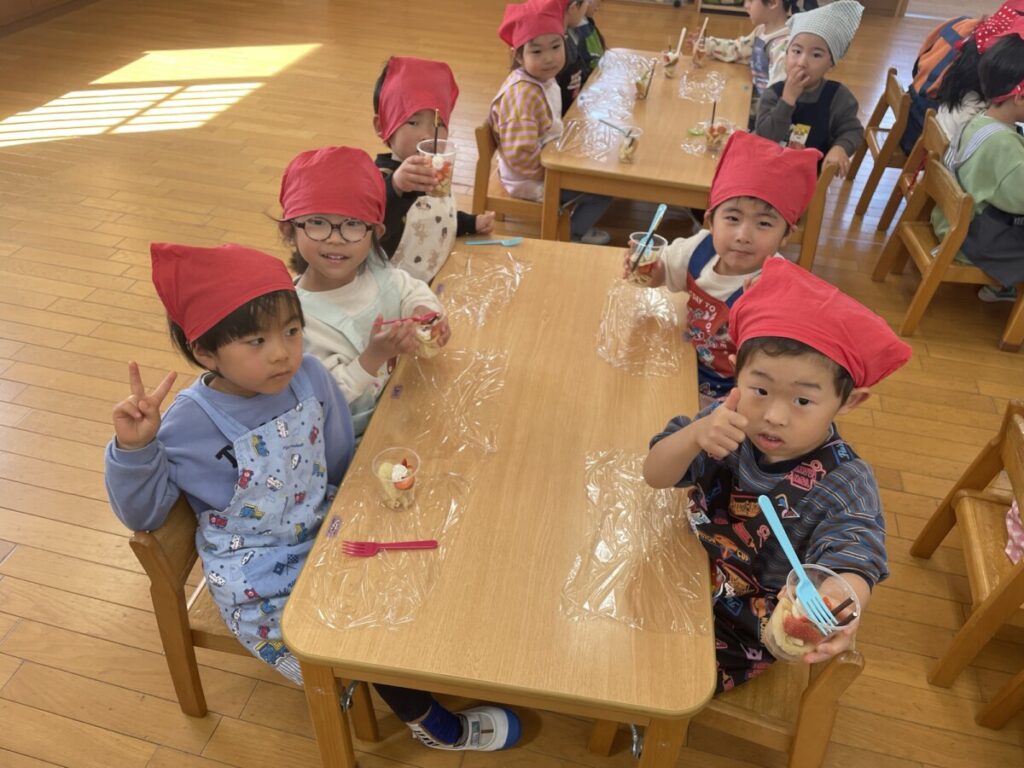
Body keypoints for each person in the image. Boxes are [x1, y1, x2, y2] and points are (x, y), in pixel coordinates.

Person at [104, 243, 520, 751]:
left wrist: (361, 509)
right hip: (257, 572)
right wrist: (135, 449)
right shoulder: (187, 424)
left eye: (292, 331)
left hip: (324, 522)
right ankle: (428, 719)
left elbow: (336, 452)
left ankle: (436, 658)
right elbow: (143, 514)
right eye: (256, 341)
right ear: (206, 353)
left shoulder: (309, 375)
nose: (282, 352)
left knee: (415, 565)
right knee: (352, 632)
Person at [643, 257, 912, 692]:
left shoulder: (846, 483)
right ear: (737, 370)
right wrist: (694, 436)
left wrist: (836, 600)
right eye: (761, 389)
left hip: (742, 623)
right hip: (681, 557)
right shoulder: (725, 420)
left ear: (849, 402)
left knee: (661, 681)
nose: (773, 416)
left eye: (802, 401)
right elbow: (655, 474)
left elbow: (856, 555)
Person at [630, 131, 819, 405]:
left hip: (733, 394)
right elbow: (665, 271)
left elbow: (783, 367)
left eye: (764, 224)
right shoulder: (698, 249)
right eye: (732, 218)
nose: (743, 235)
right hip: (683, 361)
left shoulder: (778, 288)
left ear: (786, 235)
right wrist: (648, 270)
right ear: (710, 221)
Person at [278, 146, 449, 438]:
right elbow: (322, 400)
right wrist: (373, 356)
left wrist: (425, 312)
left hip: (401, 405)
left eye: (353, 224)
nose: (335, 239)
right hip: (353, 442)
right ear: (289, 230)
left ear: (375, 234)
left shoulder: (375, 269)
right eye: (317, 222)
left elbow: (410, 289)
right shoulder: (294, 320)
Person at [490, 0, 613, 244]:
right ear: (518, 55)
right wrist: (559, 172)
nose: (549, 58)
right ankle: (571, 235)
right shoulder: (523, 97)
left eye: (556, 47)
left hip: (546, 158)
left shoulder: (542, 78)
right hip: (528, 178)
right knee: (605, 188)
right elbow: (520, 155)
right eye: (536, 51)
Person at [371, 56, 494, 283]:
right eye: (413, 122)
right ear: (382, 126)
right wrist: (396, 187)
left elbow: (435, 218)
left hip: (437, 277)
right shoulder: (377, 179)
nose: (427, 135)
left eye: (438, 124)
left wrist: (470, 223)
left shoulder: (436, 170)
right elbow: (373, 231)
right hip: (395, 290)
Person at [933, 27, 1024, 303]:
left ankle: (1001, 285)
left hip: (951, 221)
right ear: (1019, 96)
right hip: (974, 239)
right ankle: (1000, 286)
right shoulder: (1005, 146)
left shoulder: (980, 118)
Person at [755, 0, 865, 177]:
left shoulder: (838, 97)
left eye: (816, 55)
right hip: (768, 176)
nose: (802, 62)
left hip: (810, 180)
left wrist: (840, 147)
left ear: (831, 63)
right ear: (786, 54)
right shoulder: (773, 93)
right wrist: (787, 100)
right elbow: (765, 139)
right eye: (797, 51)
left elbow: (853, 130)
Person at [703, 0, 793, 126]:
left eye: (750, 0)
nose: (746, 5)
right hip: (752, 101)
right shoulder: (761, 30)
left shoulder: (783, 47)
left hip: (762, 117)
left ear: (773, 3)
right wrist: (706, 44)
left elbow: (776, 98)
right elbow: (738, 49)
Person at [556, 0, 591, 115]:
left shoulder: (567, 35)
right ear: (573, 7)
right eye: (587, 1)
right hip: (565, 116)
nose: (588, 5)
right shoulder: (557, 48)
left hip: (576, 106)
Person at [573, 0, 606, 73]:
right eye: (597, 5)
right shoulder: (577, 31)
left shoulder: (588, 21)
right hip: (591, 72)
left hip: (599, 67)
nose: (597, 8)